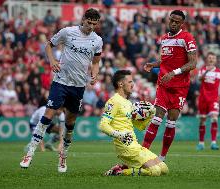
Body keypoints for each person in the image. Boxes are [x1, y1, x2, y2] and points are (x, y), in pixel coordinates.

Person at [20, 8, 103, 173]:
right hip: (60, 82)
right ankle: (29, 153)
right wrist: (52, 61)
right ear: (83, 19)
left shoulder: (97, 40)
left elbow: (95, 61)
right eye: (89, 23)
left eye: (94, 24)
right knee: (48, 115)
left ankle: (63, 156)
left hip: (79, 86)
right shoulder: (67, 32)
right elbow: (49, 45)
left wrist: (95, 74)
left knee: (70, 123)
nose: (91, 27)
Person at [142, 10, 197, 161]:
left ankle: (162, 157)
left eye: (177, 21)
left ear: (182, 24)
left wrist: (174, 72)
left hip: (180, 87)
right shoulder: (164, 38)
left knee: (171, 122)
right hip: (164, 83)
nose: (173, 23)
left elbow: (193, 63)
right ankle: (142, 153)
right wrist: (154, 64)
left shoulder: (187, 38)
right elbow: (166, 60)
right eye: (172, 20)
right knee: (157, 118)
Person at [99, 70, 168, 176]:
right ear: (121, 84)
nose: (133, 84)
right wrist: (120, 135)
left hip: (135, 146)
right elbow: (103, 125)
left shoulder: (128, 103)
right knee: (155, 171)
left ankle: (124, 166)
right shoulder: (113, 101)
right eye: (130, 82)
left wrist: (149, 116)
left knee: (164, 169)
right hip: (126, 148)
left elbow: (140, 127)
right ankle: (119, 172)